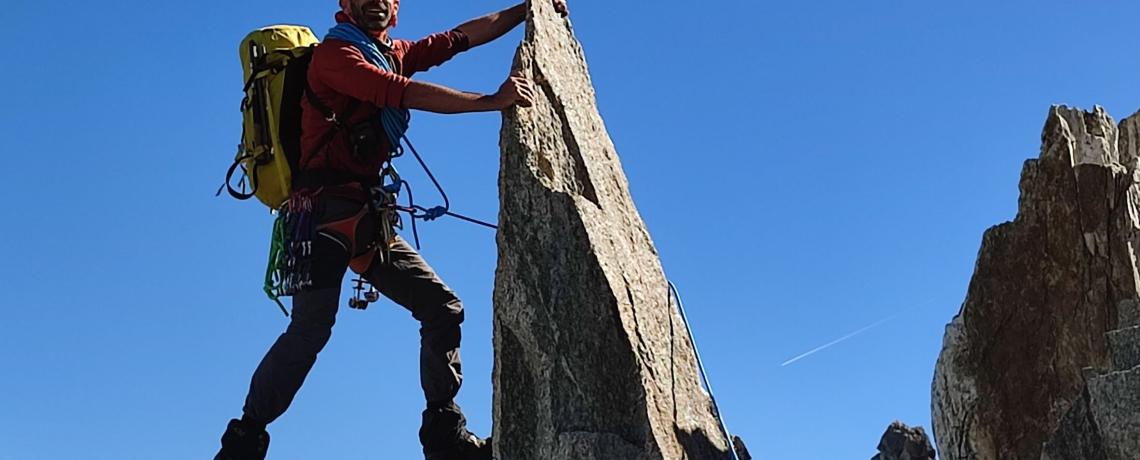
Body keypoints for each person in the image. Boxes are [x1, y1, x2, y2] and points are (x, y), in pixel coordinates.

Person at [214, 1, 569, 459]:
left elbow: (459, 38)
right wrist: (491, 102)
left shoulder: (392, 51)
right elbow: (399, 92)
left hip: (364, 215)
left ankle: (445, 437)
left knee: (442, 308)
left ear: (396, 6)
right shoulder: (335, 57)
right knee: (309, 331)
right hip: (321, 215)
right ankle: (243, 442)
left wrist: (527, 8)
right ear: (344, 4)